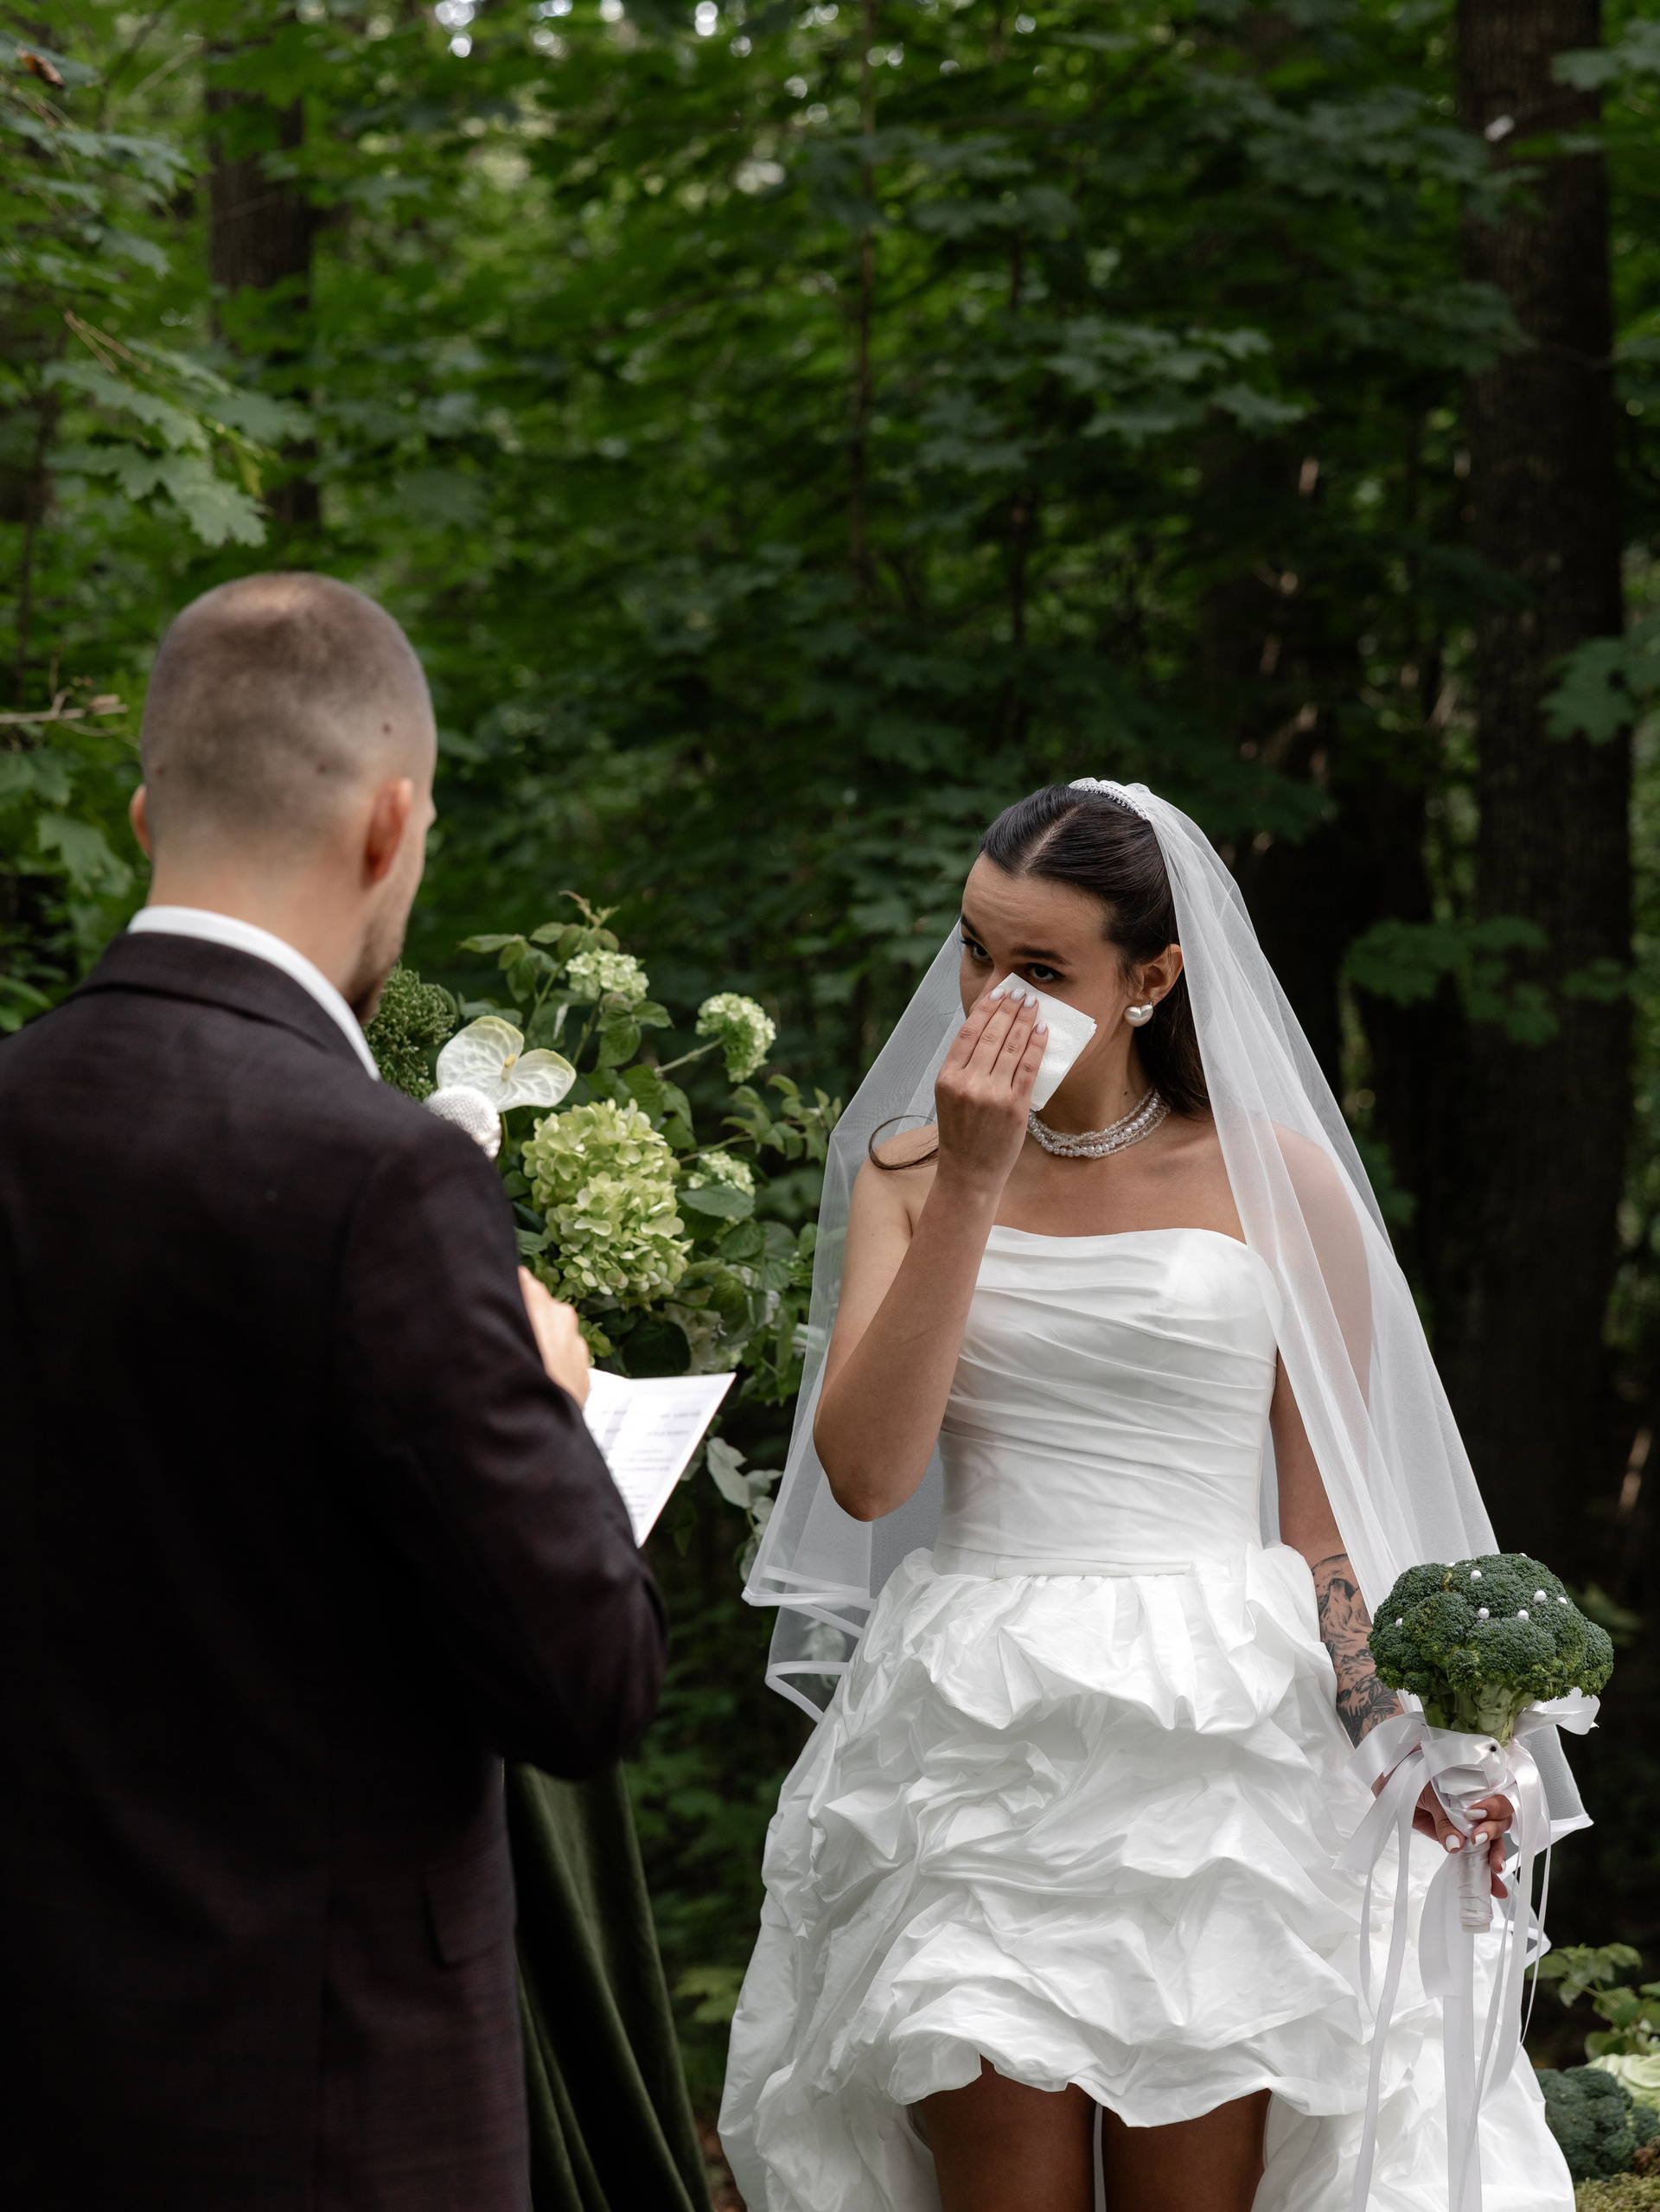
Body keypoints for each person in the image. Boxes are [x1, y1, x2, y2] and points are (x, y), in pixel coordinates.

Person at [719, 781, 1580, 2212]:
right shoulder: (907, 1173)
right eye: (974, 949)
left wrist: (1404, 1747)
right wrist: (971, 1183)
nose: (992, 999)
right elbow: (866, 1477)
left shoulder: (1279, 1184)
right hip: (978, 1733)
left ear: (1152, 978)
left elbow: (1321, 1535)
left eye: (1041, 968)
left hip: (1218, 1738)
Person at [0, 572, 666, 2210]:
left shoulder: (20, 1103)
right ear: (388, 824)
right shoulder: (386, 1179)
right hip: (327, 2100)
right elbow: (584, 1682)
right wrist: (552, 1395)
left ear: (148, 813)